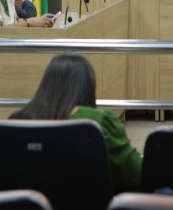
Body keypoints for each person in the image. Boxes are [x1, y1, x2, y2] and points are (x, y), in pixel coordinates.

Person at [9, 53, 142, 194]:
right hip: (87, 207)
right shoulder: (98, 122)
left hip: (29, 207)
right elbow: (137, 173)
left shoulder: (16, 121)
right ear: (88, 88)